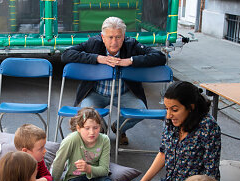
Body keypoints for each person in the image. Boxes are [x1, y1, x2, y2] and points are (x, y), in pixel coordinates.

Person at [128, 81, 221, 181]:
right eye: (166, 108)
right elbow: (163, 153)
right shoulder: (171, 121)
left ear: (191, 107)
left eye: (175, 109)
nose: (169, 114)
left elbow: (211, 172)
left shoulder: (209, 126)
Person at [61, 16, 166, 145]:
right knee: (87, 112)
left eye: (118, 37)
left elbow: (160, 57)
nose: (114, 42)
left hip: (123, 93)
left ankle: (118, 128)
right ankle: (102, 131)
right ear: (102, 37)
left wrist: (131, 61)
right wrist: (97, 58)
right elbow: (66, 55)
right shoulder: (94, 43)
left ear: (124, 36)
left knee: (141, 110)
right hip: (96, 93)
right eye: (110, 37)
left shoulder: (131, 44)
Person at [52, 107, 133, 181]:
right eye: (87, 128)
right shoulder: (71, 140)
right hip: (74, 177)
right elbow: (58, 164)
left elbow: (104, 170)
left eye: (96, 128)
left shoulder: (104, 140)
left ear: (100, 127)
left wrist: (88, 168)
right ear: (78, 128)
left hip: (97, 176)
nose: (92, 132)